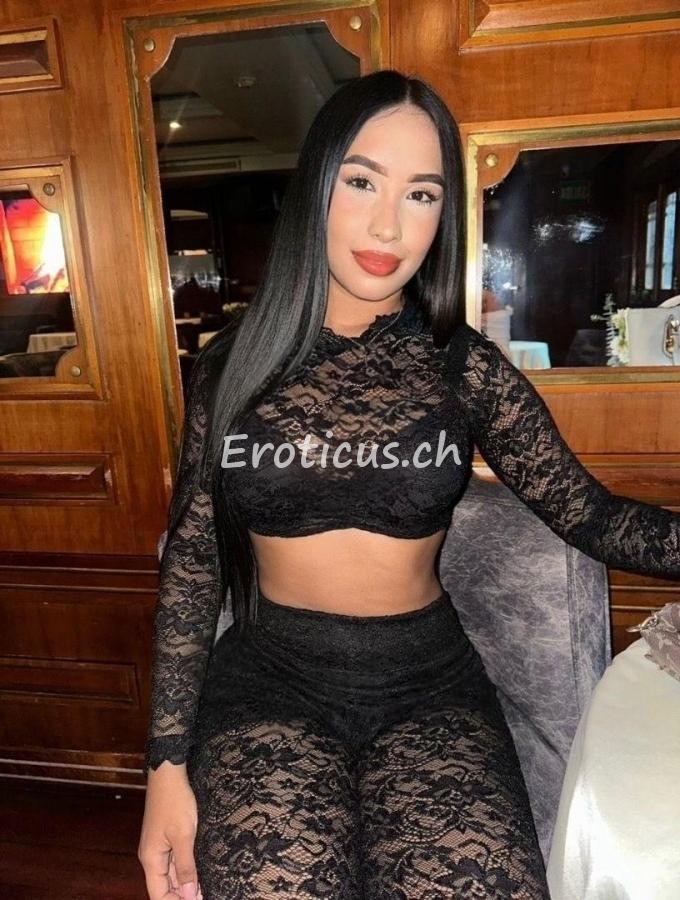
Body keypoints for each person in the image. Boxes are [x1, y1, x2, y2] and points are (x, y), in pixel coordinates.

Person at [137, 70, 680, 900]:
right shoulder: (230, 367)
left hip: (428, 688)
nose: (388, 224)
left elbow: (592, 515)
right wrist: (165, 768)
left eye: (421, 194)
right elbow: (193, 562)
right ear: (318, 186)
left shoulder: (464, 368)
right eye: (362, 182)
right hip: (270, 683)